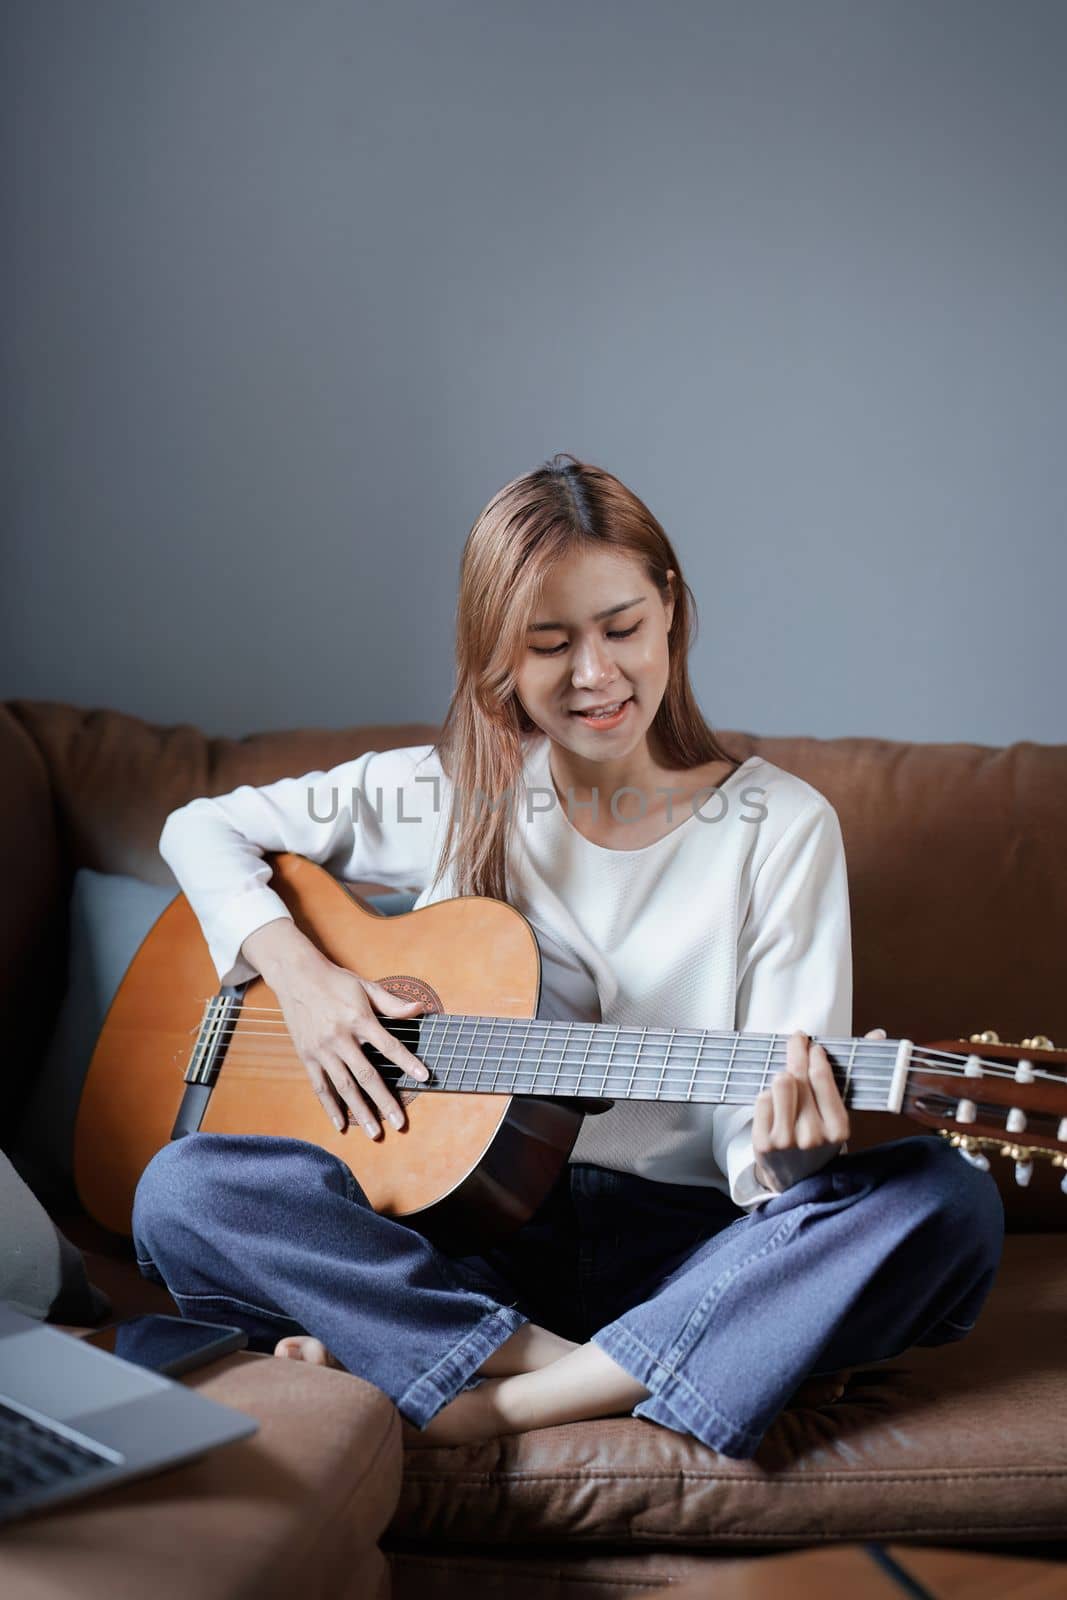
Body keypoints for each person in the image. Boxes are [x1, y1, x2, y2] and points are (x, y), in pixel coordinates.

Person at [133, 454, 1004, 1458]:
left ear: (669, 608)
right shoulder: (449, 790)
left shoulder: (780, 827)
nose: (595, 676)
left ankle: (498, 1391)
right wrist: (304, 979)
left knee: (945, 1199)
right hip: (459, 1243)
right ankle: (621, 1363)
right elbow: (202, 829)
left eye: (621, 628)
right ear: (499, 656)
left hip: (687, 1249)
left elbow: (763, 1181)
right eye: (549, 645)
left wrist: (786, 1142)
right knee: (182, 1190)